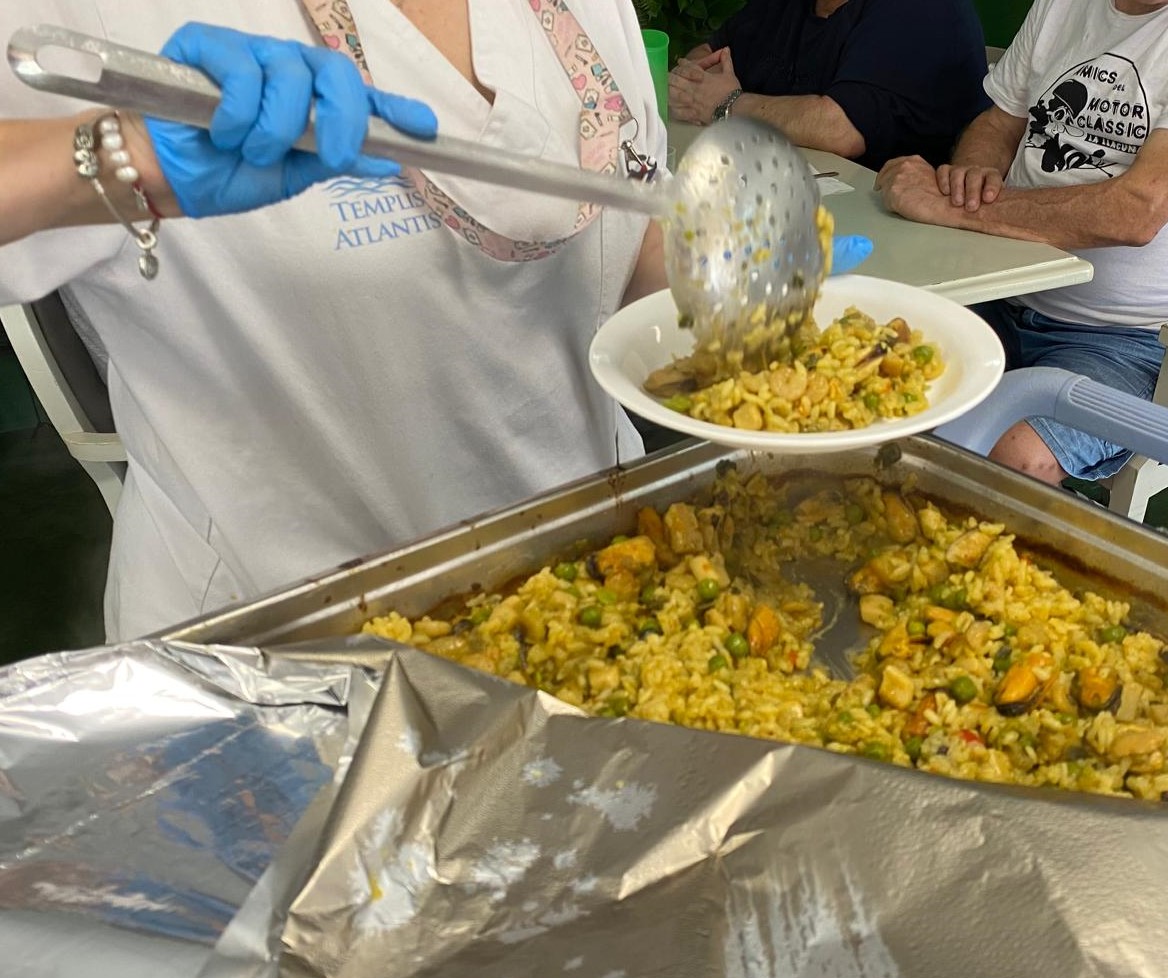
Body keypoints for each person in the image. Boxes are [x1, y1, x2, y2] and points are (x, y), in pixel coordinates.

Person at [0, 1, 673, 641]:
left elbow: (629, 236)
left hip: (602, 583)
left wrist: (717, 273)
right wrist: (118, 155)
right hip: (289, 642)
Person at [874, 0, 1168, 486]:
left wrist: (955, 210)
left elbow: (1138, 210)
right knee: (857, 365)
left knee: (1011, 454)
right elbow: (999, 123)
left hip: (1150, 338)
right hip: (999, 287)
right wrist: (970, 178)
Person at [668, 0, 989, 170]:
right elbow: (710, 52)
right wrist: (697, 84)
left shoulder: (922, 9)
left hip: (897, 237)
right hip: (779, 197)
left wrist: (726, 103)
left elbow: (840, 129)